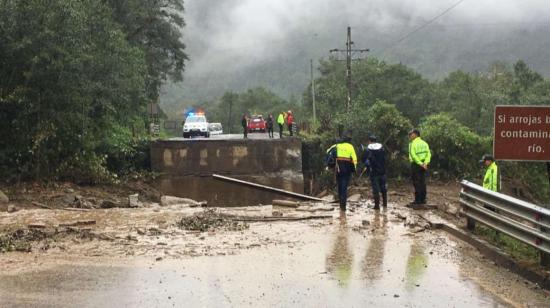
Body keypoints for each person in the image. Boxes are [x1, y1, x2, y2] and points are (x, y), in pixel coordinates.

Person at [328, 133, 357, 211]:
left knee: (340, 185)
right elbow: (354, 159)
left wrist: (330, 166)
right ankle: (343, 207)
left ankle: (341, 205)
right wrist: (354, 170)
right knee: (344, 186)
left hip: (338, 169)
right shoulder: (350, 147)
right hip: (347, 169)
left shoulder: (337, 146)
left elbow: (328, 152)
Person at [362, 135, 387, 210]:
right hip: (382, 171)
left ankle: (377, 206)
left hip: (374, 172)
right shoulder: (382, 148)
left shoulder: (368, 149)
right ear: (375, 140)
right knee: (383, 188)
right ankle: (385, 204)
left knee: (375, 189)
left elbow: (365, 160)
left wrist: (367, 165)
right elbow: (385, 159)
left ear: (369, 141)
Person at [408, 128, 431, 205]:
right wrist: (425, 163)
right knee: (423, 182)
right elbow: (428, 154)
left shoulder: (412, 144)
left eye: (411, 134)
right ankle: (423, 200)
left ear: (415, 134)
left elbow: (413, 155)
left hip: (416, 165)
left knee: (416, 182)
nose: (410, 136)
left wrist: (420, 163)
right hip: (424, 165)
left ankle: (417, 200)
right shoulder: (425, 143)